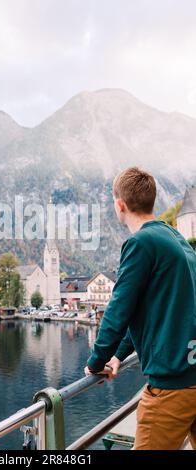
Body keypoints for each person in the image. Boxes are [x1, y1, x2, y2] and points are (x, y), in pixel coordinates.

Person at [84, 167, 196, 450]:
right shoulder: (177, 240)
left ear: (120, 205)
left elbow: (119, 310)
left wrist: (97, 362)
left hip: (173, 386)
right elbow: (148, 310)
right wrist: (119, 355)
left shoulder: (140, 243)